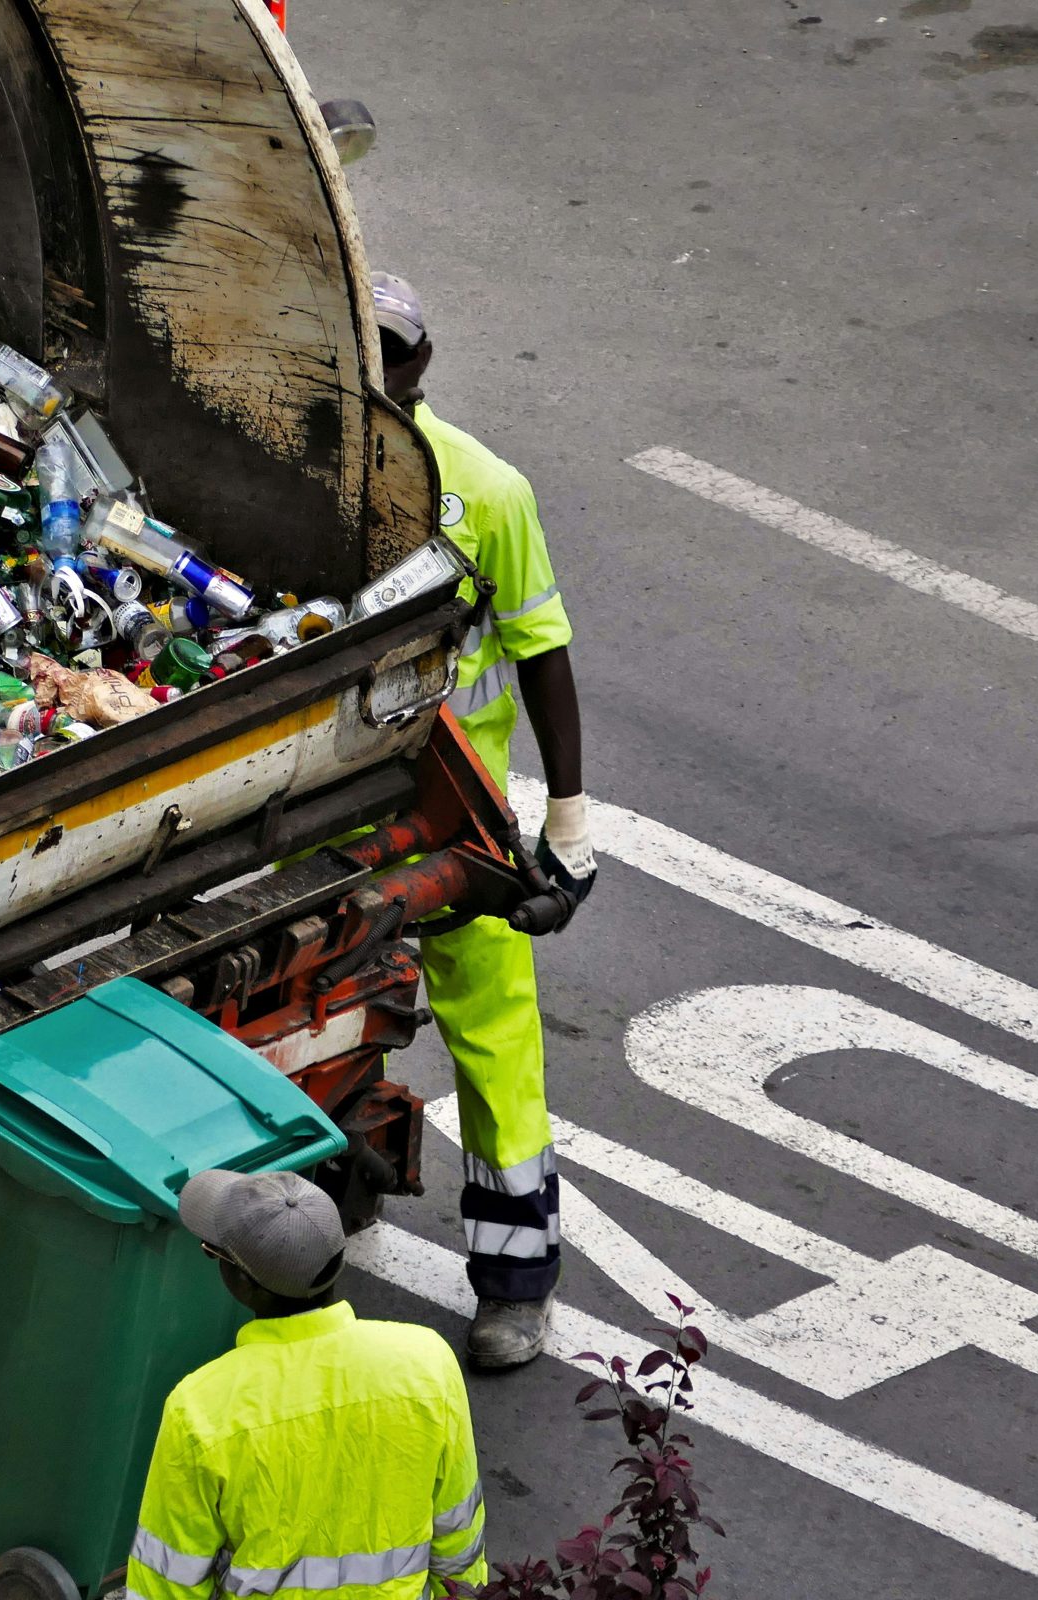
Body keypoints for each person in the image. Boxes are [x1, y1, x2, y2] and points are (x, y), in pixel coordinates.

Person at [369, 270, 595, 1371]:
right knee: (314, 1006)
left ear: (422, 361)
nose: (375, 369)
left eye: (391, 350)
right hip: (326, 806)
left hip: (454, 815)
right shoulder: (289, 466)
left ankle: (515, 1286)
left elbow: (543, 650)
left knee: (495, 1044)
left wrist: (570, 817)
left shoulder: (488, 492)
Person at [125, 1169, 489, 1600]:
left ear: (242, 1282)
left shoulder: (200, 1410)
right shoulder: (428, 1365)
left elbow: (166, 1584)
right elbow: (459, 1542)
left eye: (213, 1253)